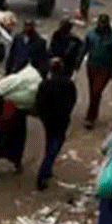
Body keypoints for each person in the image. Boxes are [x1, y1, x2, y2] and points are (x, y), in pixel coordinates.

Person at [35, 58, 78, 191]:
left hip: (49, 121)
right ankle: (43, 173)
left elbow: (39, 103)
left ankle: (47, 170)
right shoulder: (68, 84)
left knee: (50, 143)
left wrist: (43, 117)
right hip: (61, 120)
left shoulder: (45, 84)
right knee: (55, 146)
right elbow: (73, 100)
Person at [83, 14, 112, 129]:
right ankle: (93, 112)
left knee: (97, 91)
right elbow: (84, 49)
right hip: (92, 66)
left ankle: (90, 117)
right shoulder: (91, 34)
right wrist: (77, 63)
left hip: (105, 68)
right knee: (93, 92)